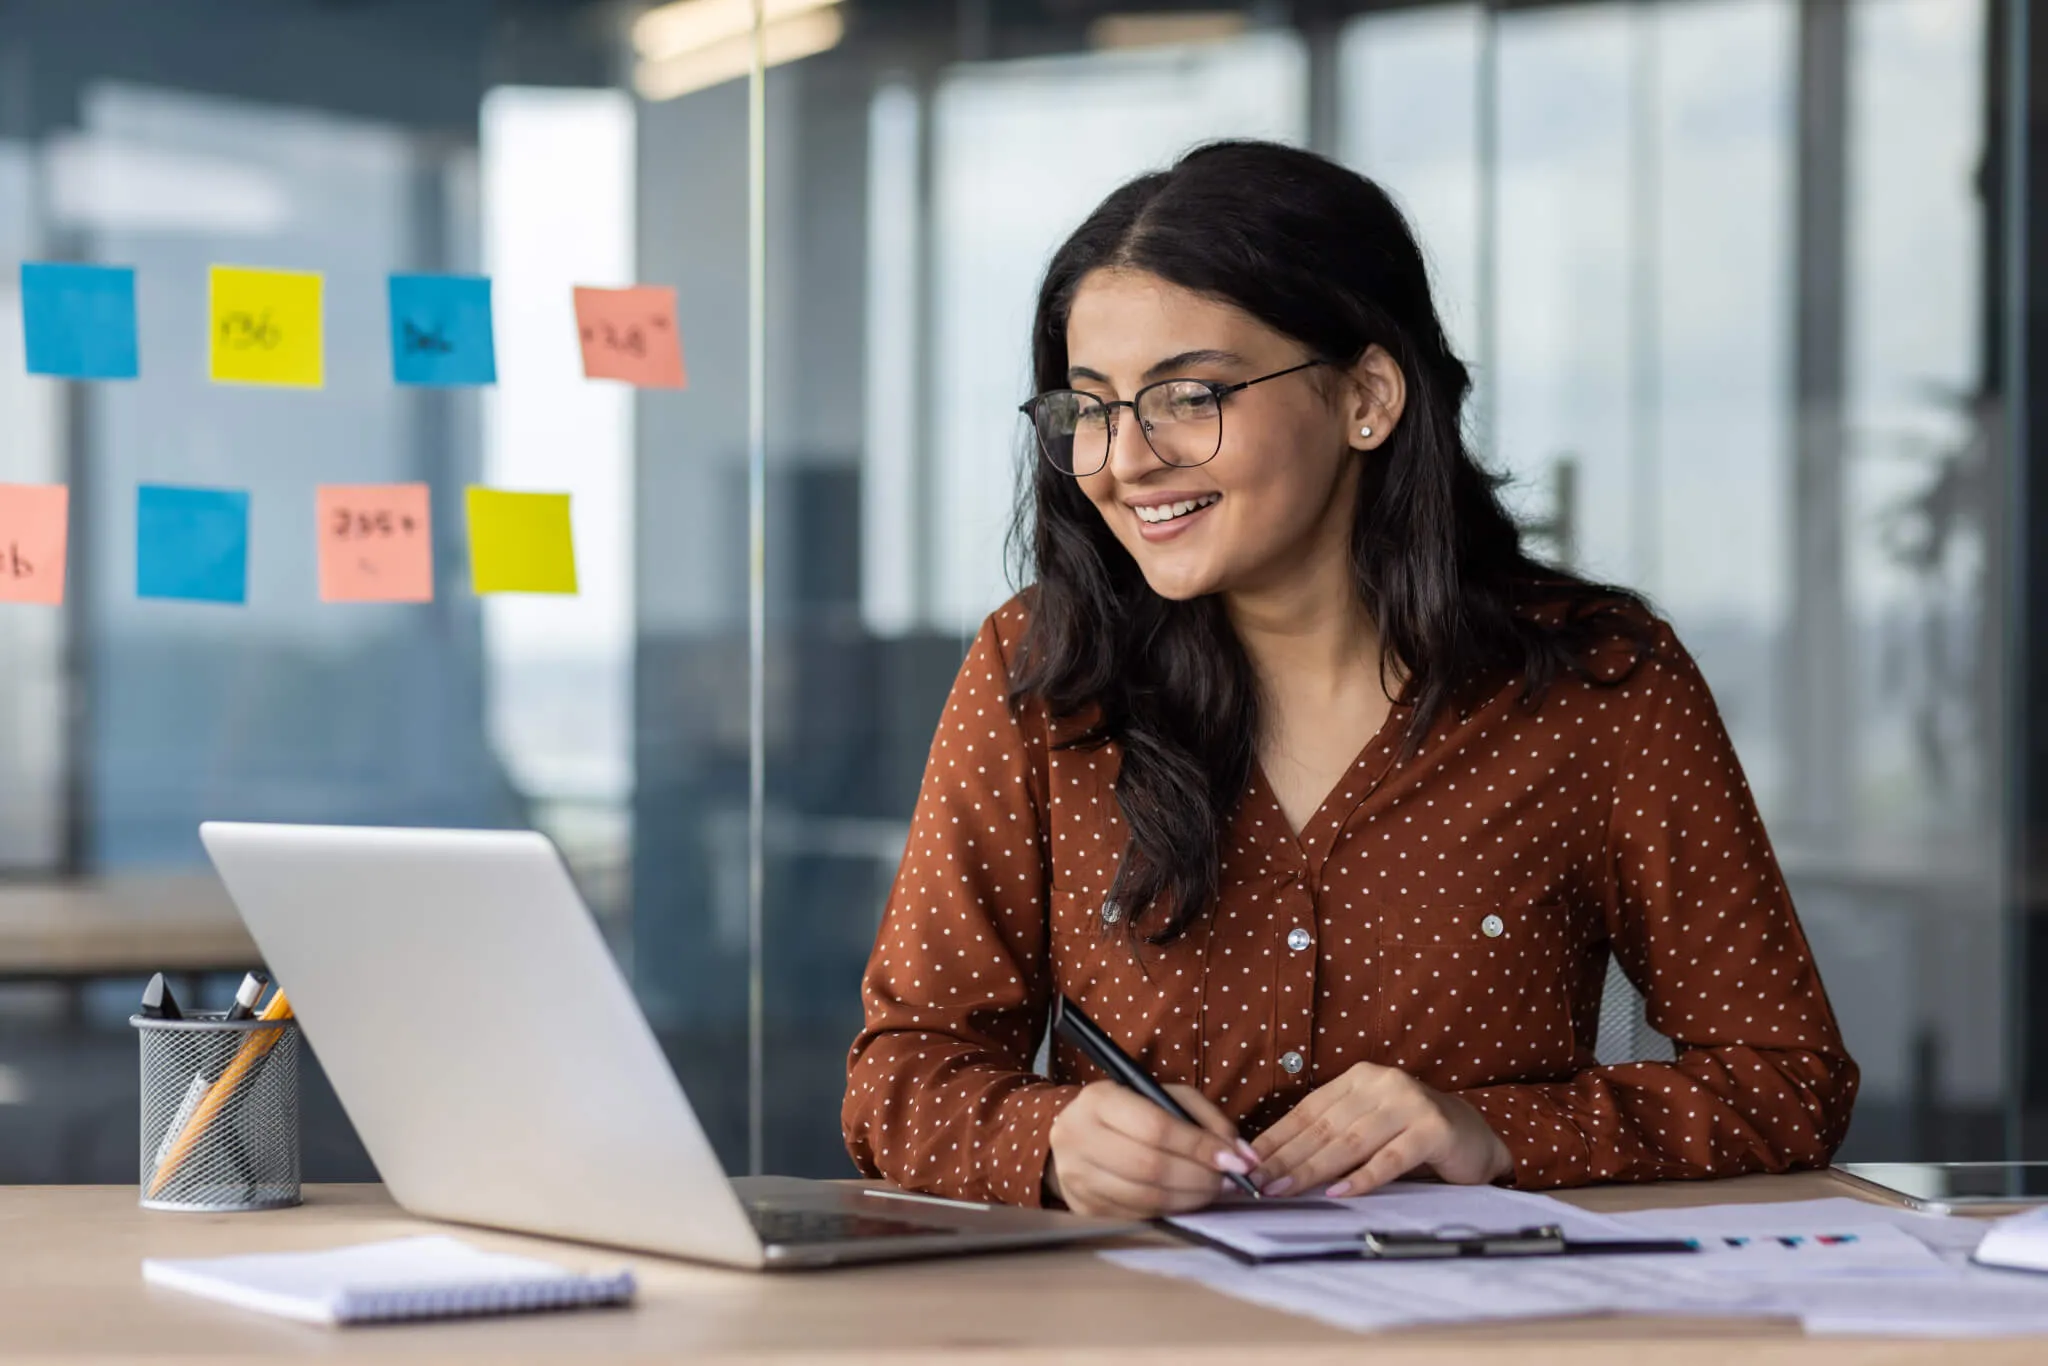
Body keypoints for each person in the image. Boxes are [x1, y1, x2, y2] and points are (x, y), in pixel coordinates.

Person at [842, 139, 1857, 1219]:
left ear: (1367, 394)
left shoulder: (1599, 685)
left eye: (1187, 395)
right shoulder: (1040, 672)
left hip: (1484, 1327)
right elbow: (899, 1076)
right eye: (1089, 407)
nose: (1124, 458)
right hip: (1139, 1323)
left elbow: (1783, 1080)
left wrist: (1492, 1133)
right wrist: (1051, 1141)